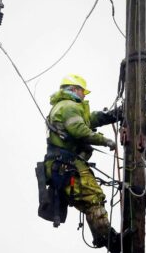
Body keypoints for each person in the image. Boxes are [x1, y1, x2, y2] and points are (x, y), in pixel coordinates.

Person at [42, 74, 122, 252]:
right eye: (82, 91)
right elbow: (79, 130)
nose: (84, 95)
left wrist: (112, 115)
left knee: (90, 200)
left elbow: (89, 119)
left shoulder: (64, 106)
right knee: (92, 198)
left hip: (64, 165)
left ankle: (109, 239)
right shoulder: (69, 107)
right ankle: (110, 240)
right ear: (73, 89)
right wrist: (105, 141)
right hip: (67, 165)